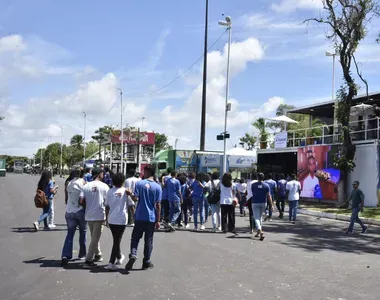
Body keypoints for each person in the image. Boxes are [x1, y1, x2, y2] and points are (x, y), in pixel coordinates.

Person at [124, 165, 162, 271]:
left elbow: (135, 199)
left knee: (135, 238)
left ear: (147, 172)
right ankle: (146, 261)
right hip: (151, 217)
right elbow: (158, 205)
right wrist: (158, 220)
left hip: (139, 215)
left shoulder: (139, 183)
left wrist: (130, 194)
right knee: (148, 240)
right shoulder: (158, 187)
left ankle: (133, 254)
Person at [104, 172, 135, 271]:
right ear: (123, 181)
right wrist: (134, 217)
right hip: (121, 219)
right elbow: (131, 205)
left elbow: (107, 206)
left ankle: (119, 256)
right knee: (117, 241)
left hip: (112, 219)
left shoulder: (110, 191)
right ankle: (111, 262)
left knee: (116, 239)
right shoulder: (126, 191)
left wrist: (106, 218)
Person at [80, 168, 110, 268]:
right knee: (95, 238)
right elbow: (108, 203)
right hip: (99, 215)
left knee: (94, 237)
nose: (104, 176)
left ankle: (98, 254)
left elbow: (81, 201)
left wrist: (87, 206)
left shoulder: (86, 186)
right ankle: (88, 260)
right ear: (99, 174)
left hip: (89, 215)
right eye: (103, 174)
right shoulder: (104, 186)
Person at [61, 168, 87, 267]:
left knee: (70, 234)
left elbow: (67, 198)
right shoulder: (83, 183)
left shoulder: (69, 183)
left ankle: (65, 255)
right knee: (83, 233)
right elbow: (84, 197)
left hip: (69, 211)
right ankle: (82, 254)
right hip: (80, 210)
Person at [251, 173, 273, 241]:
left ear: (257, 177)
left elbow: (253, 192)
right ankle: (258, 233)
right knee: (260, 217)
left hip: (255, 202)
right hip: (263, 202)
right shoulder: (266, 185)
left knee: (256, 218)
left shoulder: (253, 185)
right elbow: (269, 196)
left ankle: (260, 230)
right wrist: (271, 205)